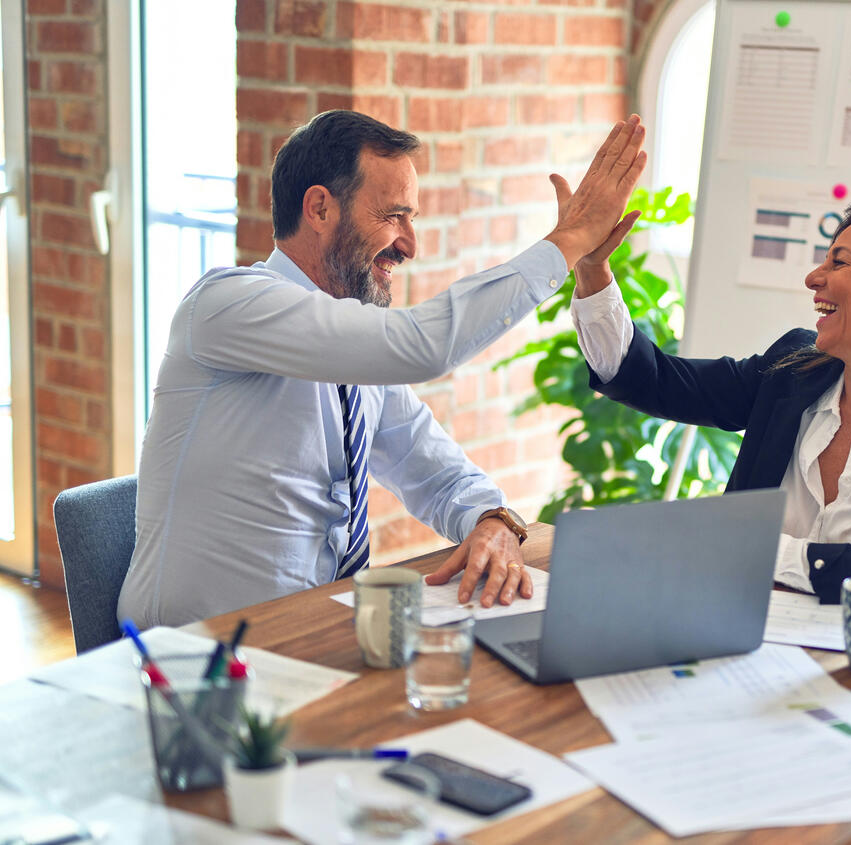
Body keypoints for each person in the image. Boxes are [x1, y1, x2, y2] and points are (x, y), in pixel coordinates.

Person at [118, 109, 646, 627]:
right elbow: (423, 346)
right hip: (194, 659)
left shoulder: (355, 356)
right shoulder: (227, 305)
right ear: (320, 209)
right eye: (394, 215)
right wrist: (570, 240)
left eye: (411, 219)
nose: (410, 244)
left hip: (315, 636)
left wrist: (493, 520)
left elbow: (436, 472)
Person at [570, 195, 851, 615]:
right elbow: (654, 380)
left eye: (839, 261)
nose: (813, 277)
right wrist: (593, 269)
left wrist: (752, 548)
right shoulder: (792, 372)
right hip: (741, 636)